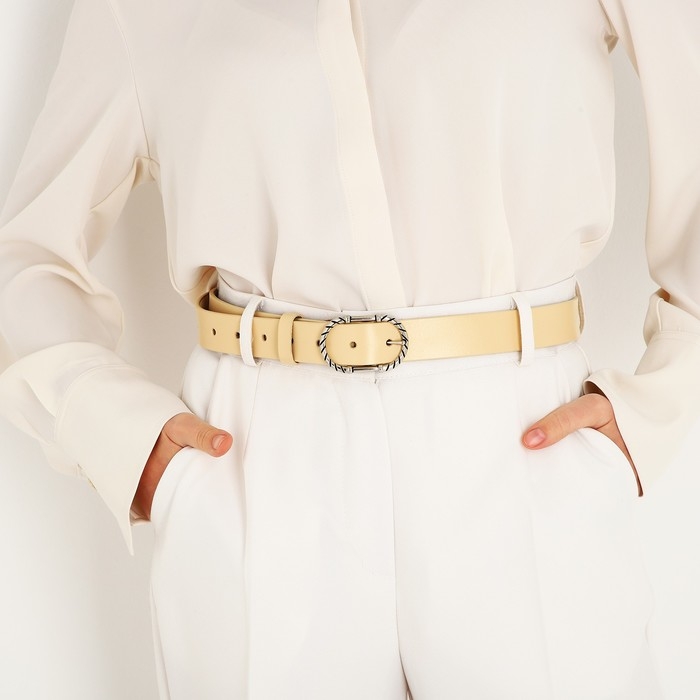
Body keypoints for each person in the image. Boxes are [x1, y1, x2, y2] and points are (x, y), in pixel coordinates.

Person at [0, 0, 698, 698]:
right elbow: (28, 256)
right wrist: (125, 437)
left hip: (528, 439)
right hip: (252, 457)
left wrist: (658, 401)